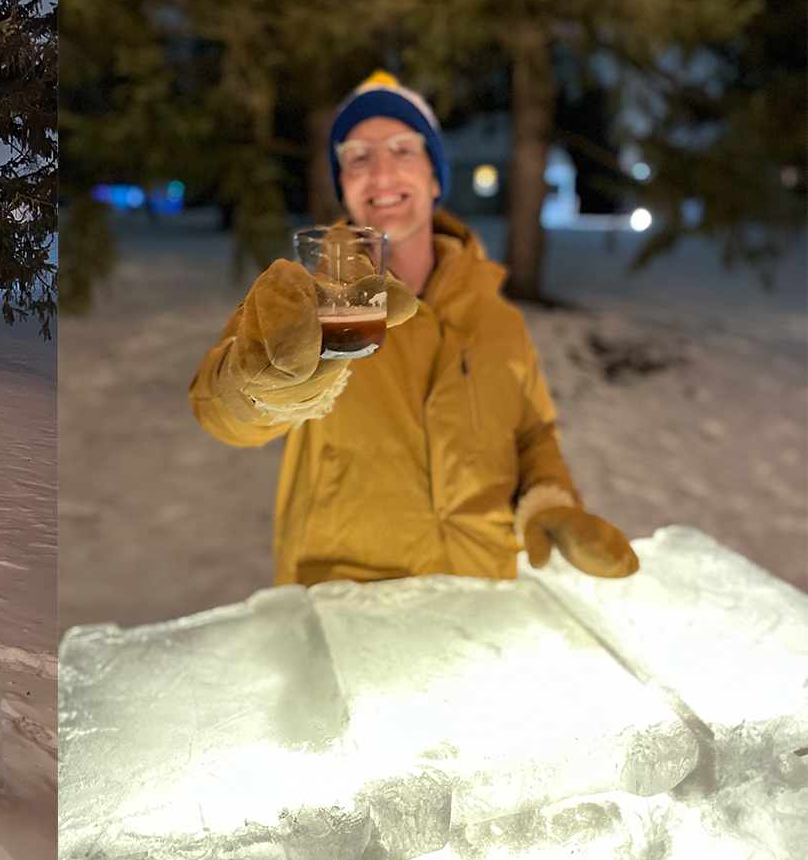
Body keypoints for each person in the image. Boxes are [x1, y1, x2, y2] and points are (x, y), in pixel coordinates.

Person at [189, 71, 637, 586]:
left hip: (482, 593)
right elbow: (218, 408)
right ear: (344, 187)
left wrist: (551, 504)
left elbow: (533, 433)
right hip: (350, 609)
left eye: (403, 149)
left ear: (435, 178)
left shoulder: (499, 320)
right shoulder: (306, 305)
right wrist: (264, 384)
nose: (380, 170)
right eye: (357, 156)